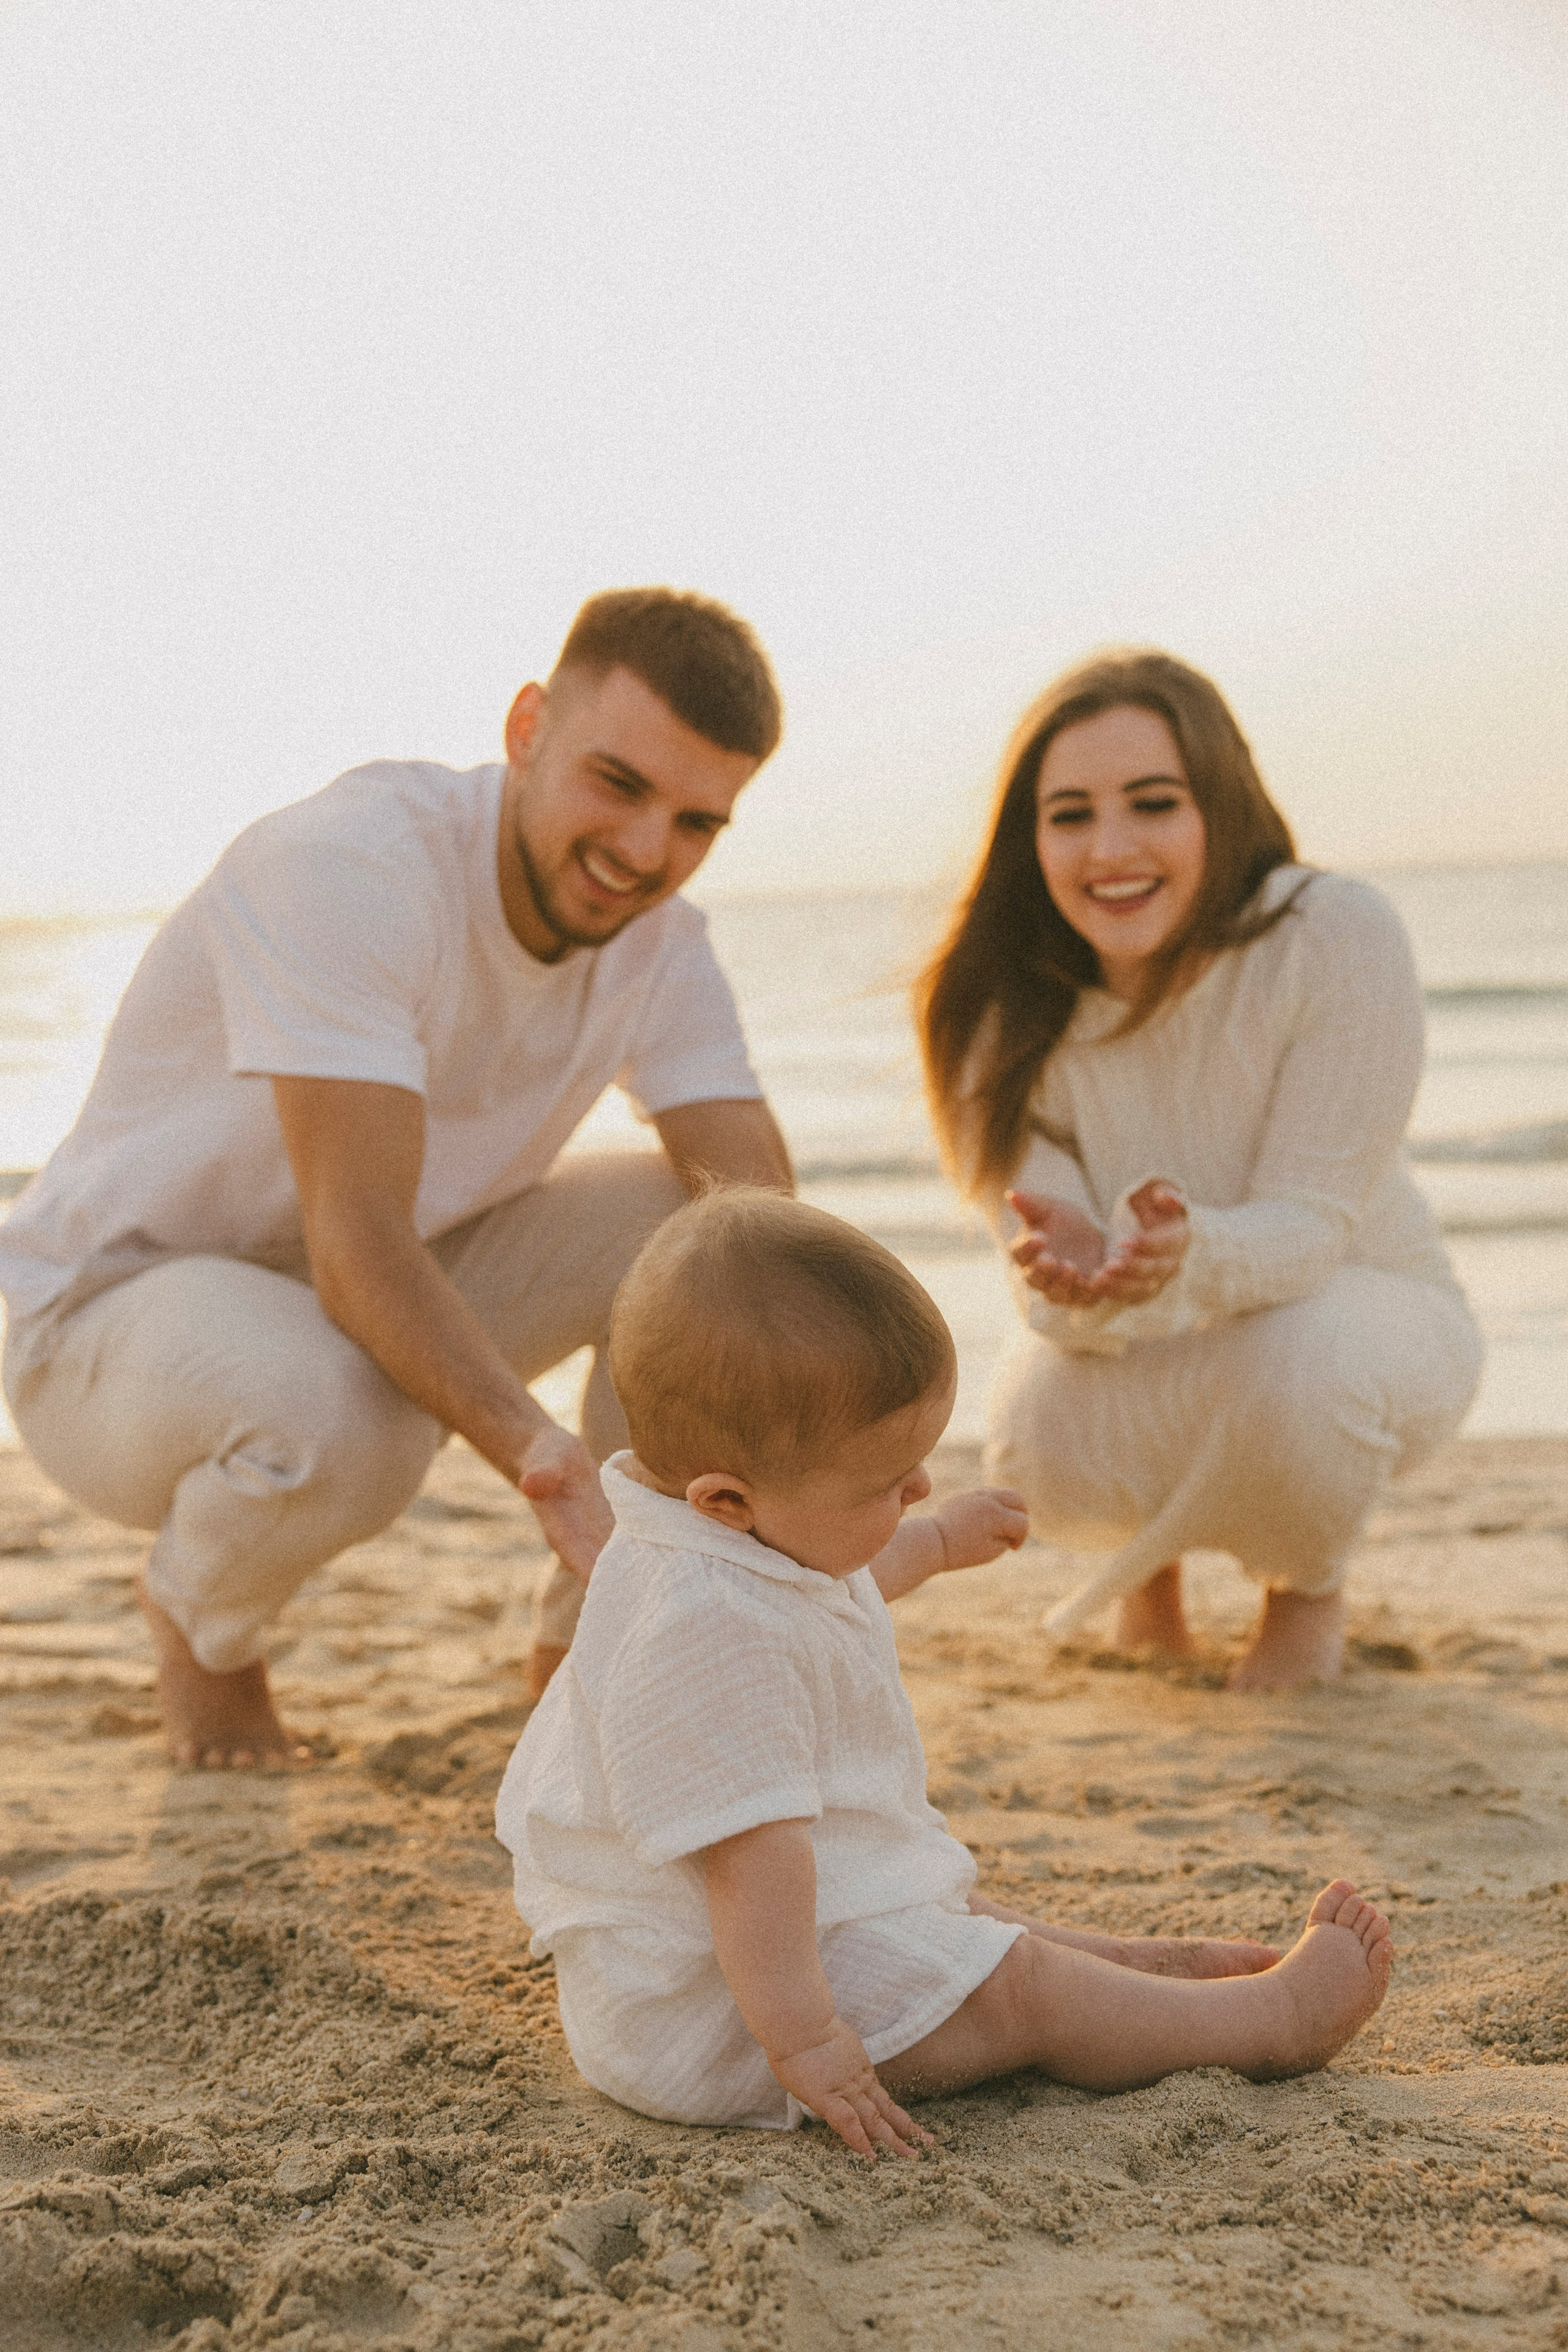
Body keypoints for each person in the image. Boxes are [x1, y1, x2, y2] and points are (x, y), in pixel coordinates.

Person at [0, 589, 794, 1767]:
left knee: (710, 1241)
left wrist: (858, 1411)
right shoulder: (353, 867)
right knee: (346, 1418)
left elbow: (765, 1211)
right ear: (527, 726)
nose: (644, 853)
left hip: (361, 1284)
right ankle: (200, 1621)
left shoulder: (660, 942)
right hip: (109, 1320)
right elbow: (356, 1239)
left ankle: (591, 1657)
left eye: (694, 823)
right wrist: (540, 1453)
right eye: (616, 784)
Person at [495, 1188, 1394, 2147]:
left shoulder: (715, 1537)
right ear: (729, 1499)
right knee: (1017, 1991)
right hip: (723, 2018)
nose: (917, 1485)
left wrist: (930, 1538)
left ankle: (1133, 1967)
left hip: (768, 1953)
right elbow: (749, 1871)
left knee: (954, 1905)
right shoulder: (709, 1635)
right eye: (888, 1483)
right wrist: (809, 2046)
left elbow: (827, 1580)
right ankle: (1269, 2026)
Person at [916, 649, 1483, 1691]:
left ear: (1219, 804)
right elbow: (1049, 1287)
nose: (1112, 849)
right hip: (1153, 1341)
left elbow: (1313, 1223)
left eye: (1153, 802)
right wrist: (1084, 1278)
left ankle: (1303, 1587)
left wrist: (1185, 1252)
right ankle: (1152, 1574)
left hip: (1373, 1315)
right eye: (1071, 814)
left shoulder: (1333, 932)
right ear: (1028, 837)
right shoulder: (994, 1007)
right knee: (1036, 1425)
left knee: (1299, 1360)